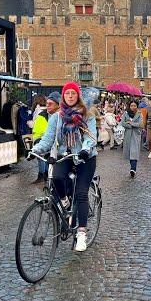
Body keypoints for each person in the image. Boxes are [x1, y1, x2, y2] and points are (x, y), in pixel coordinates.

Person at [28, 82, 97, 252]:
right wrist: (34, 150)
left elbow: (91, 137)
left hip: (84, 157)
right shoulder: (56, 117)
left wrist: (85, 150)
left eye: (74, 93)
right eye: (68, 94)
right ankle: (65, 201)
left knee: (81, 193)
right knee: (56, 177)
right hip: (64, 155)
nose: (71, 96)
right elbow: (47, 139)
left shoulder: (87, 115)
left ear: (78, 96)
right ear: (64, 97)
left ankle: (81, 233)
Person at [121, 100, 143, 178]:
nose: (133, 107)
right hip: (127, 135)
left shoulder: (139, 114)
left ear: (137, 106)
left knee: (134, 151)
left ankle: (133, 169)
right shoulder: (125, 113)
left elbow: (140, 124)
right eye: (131, 106)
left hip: (136, 134)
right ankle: (132, 168)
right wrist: (131, 125)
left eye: (134, 106)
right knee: (129, 152)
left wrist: (131, 123)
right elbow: (122, 123)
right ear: (129, 106)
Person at [31, 98, 50, 184]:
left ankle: (41, 175)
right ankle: (46, 175)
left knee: (40, 157)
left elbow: (37, 125)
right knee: (46, 157)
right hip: (46, 138)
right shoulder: (48, 112)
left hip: (40, 137)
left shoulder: (40, 112)